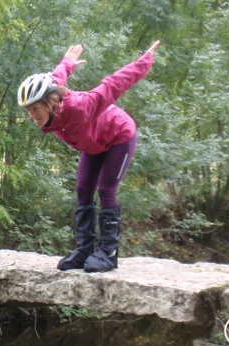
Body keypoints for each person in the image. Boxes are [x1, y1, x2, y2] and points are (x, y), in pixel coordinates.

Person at [17, 40, 160, 273]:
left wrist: (144, 61)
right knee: (83, 189)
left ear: (49, 103)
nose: (32, 115)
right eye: (28, 110)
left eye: (35, 109)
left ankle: (108, 253)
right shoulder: (51, 102)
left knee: (105, 189)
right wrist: (68, 62)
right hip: (94, 144)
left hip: (118, 135)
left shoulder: (81, 106)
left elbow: (114, 84)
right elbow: (57, 78)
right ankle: (85, 250)